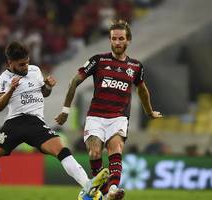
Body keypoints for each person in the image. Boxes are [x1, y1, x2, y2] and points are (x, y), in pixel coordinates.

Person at [0, 41, 109, 200]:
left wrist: (47, 86)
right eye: (21, 64)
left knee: (62, 150)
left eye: (27, 62)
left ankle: (87, 186)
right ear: (10, 63)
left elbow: (44, 94)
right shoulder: (4, 79)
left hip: (35, 123)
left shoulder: (34, 70)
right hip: (14, 124)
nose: (26, 67)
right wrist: (10, 89)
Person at [55, 20, 162, 200]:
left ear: (128, 41)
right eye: (114, 38)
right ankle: (105, 194)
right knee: (94, 152)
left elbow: (142, 90)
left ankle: (112, 189)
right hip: (96, 116)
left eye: (121, 39)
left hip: (118, 117)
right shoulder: (98, 60)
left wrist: (149, 111)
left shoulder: (136, 67)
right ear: (110, 40)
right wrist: (66, 110)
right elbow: (74, 81)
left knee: (116, 148)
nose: (117, 42)